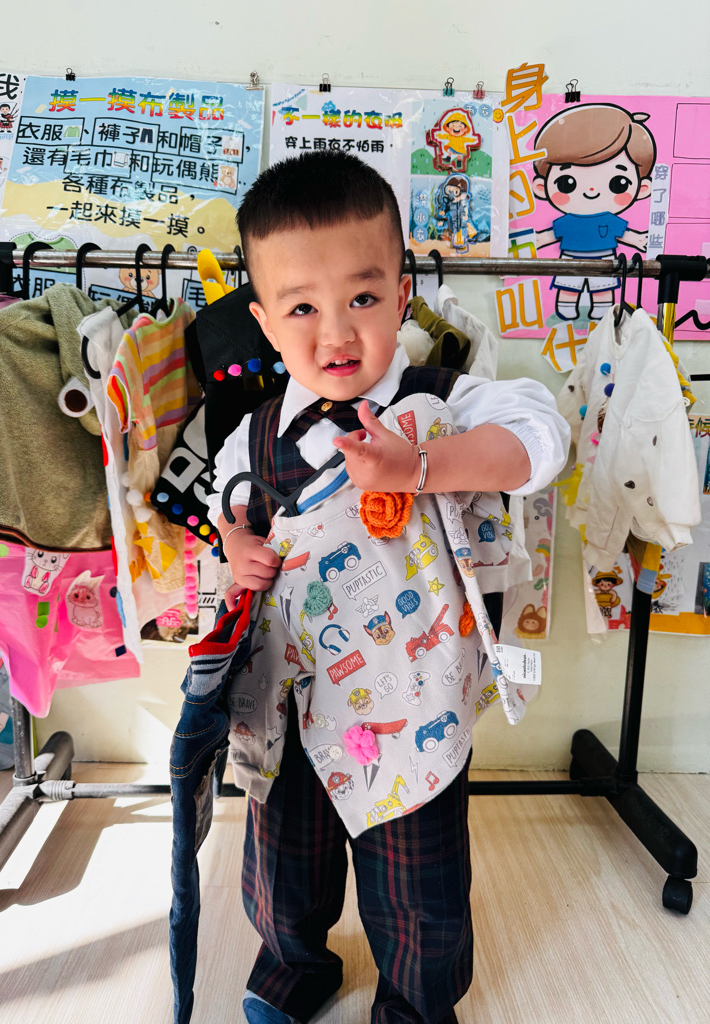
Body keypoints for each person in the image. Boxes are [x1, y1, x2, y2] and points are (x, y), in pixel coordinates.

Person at [207, 150, 569, 1024]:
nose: (336, 334)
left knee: (419, 884)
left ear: (403, 295)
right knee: (282, 865)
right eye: (302, 307)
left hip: (414, 700)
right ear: (264, 321)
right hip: (291, 700)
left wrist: (422, 467)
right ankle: (293, 968)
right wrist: (237, 546)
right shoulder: (253, 431)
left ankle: (415, 1003)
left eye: (363, 299)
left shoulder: (448, 401)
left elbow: (540, 439)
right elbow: (229, 509)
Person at [531, 103, 656, 322]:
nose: (591, 190)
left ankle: (602, 310)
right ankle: (566, 308)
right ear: (541, 187)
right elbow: (551, 235)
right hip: (570, 257)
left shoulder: (609, 219)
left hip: (605, 257)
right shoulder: (567, 221)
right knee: (569, 286)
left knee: (603, 288)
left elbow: (624, 234)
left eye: (618, 183)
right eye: (567, 182)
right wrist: (536, 240)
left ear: (642, 188)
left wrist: (638, 240)